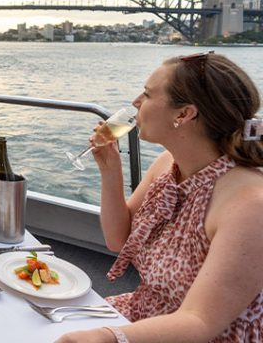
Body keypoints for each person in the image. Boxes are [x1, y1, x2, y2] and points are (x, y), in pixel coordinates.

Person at [57, 52, 263, 343]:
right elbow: (119, 241)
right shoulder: (168, 164)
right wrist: (110, 170)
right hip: (145, 317)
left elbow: (200, 321)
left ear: (184, 114)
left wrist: (107, 337)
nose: (135, 102)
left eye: (147, 94)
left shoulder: (250, 205)